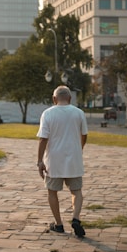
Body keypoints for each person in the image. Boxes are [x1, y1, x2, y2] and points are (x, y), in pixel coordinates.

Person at [36, 85, 88, 237]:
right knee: (77, 191)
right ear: (70, 98)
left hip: (54, 161)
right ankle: (76, 218)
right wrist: (80, 148)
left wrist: (40, 161)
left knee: (52, 192)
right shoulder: (79, 113)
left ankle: (58, 224)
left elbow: (43, 138)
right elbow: (84, 135)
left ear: (54, 99)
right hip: (74, 160)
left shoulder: (48, 114)